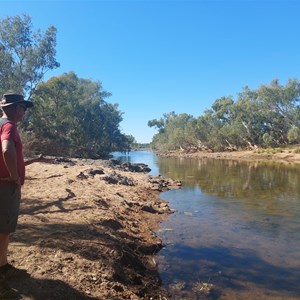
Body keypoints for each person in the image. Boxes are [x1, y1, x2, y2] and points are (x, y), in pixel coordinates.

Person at [0, 93, 33, 281]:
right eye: (23, 108)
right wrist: (13, 176)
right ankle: (2, 267)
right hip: (5, 186)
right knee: (4, 229)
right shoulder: (9, 126)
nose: (24, 112)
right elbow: (6, 148)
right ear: (15, 108)